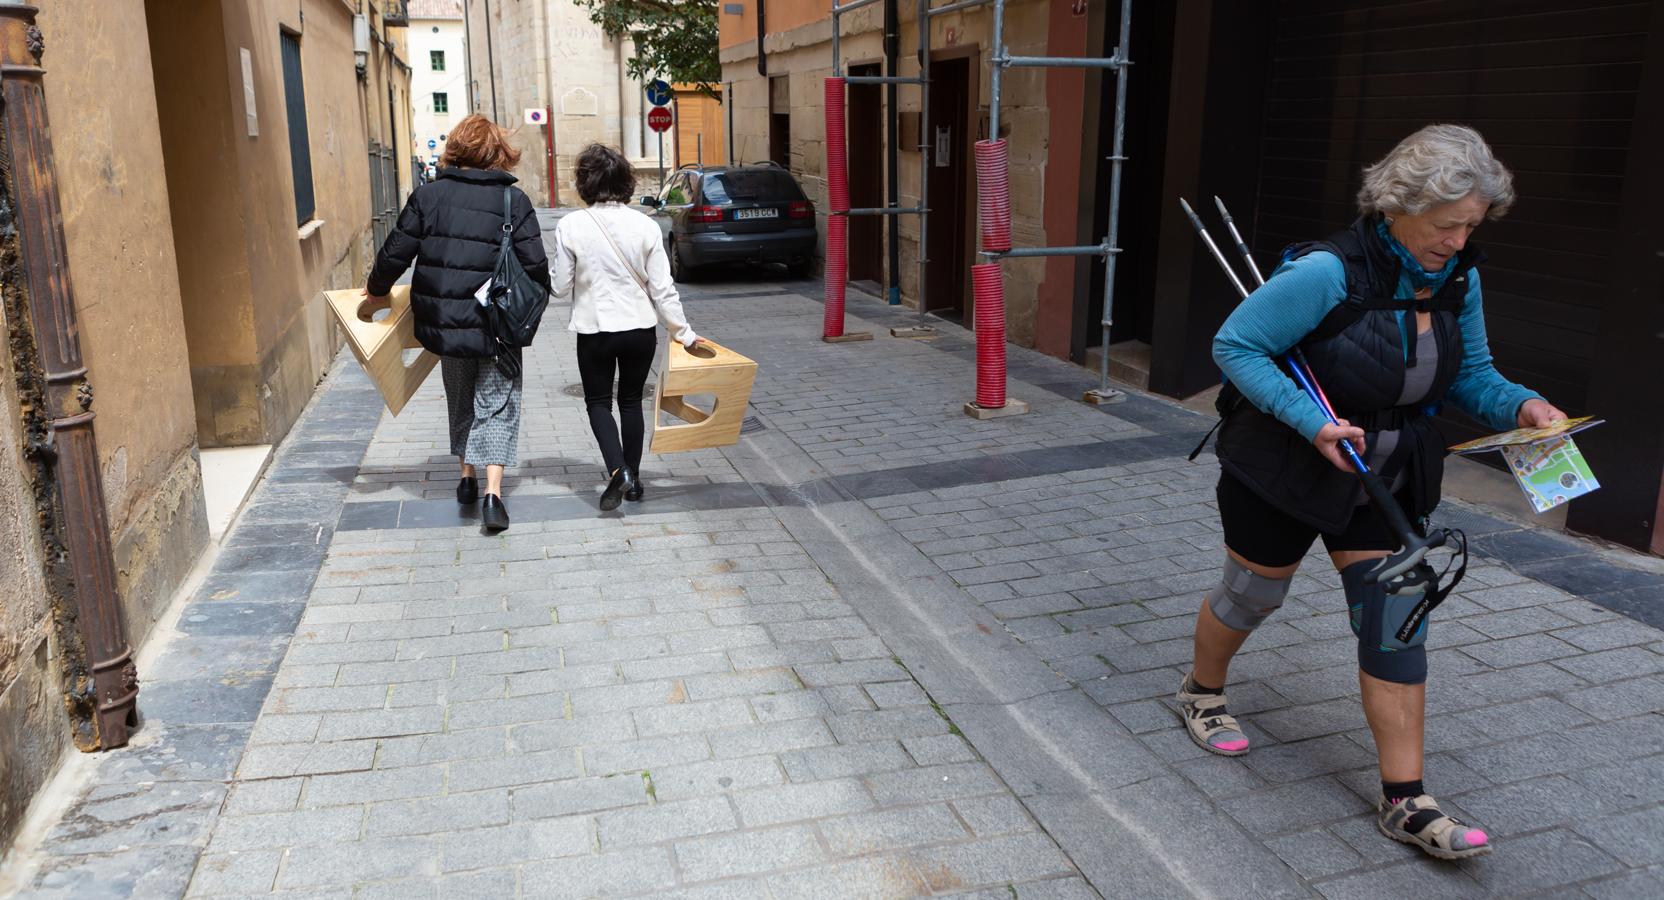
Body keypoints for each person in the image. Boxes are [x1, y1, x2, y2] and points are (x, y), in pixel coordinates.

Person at [1184, 124, 1566, 860]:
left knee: (1396, 613)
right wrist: (1311, 420)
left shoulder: (1460, 277)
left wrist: (1522, 406)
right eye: (1447, 224)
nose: (1458, 242)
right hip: (1287, 465)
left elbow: (1470, 375)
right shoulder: (1326, 273)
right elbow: (1235, 346)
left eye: (1472, 227)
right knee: (1254, 594)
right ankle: (1201, 690)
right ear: (1400, 204)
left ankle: (1407, 800)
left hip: (1386, 472)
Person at [365, 114, 549, 532]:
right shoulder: (512, 201)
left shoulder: (428, 196)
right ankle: (492, 495)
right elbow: (536, 265)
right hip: (498, 324)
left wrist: (376, 288)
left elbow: (397, 250)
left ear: (455, 149)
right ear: (497, 153)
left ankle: (466, 476)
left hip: (447, 322)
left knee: (461, 394)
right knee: (498, 402)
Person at [551, 144, 702, 511]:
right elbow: (663, 289)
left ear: (585, 183)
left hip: (595, 330)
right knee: (631, 401)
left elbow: (559, 287)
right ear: (626, 180)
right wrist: (684, 333)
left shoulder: (571, 225)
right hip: (639, 330)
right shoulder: (645, 225)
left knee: (599, 403)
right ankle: (633, 482)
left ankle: (617, 471)